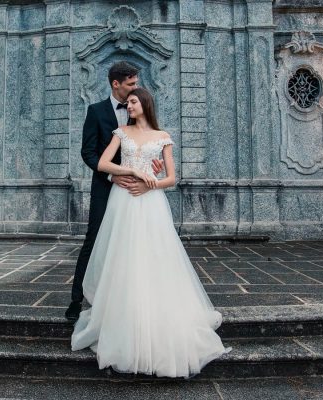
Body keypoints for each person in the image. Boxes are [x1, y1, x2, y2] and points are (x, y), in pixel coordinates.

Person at [71, 87, 231, 378]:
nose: (128, 106)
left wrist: (149, 184)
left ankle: (157, 315)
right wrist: (131, 172)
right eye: (127, 102)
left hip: (151, 202)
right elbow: (103, 163)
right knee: (123, 257)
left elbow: (171, 178)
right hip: (123, 201)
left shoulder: (162, 136)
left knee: (154, 257)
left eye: (133, 102)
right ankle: (124, 317)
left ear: (144, 103)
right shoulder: (121, 132)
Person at [65, 61, 164, 321]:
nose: (136, 87)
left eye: (136, 83)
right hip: (105, 185)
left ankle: (128, 297)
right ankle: (77, 299)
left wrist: (155, 164)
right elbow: (88, 152)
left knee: (135, 241)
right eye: (131, 83)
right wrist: (112, 175)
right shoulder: (96, 111)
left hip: (136, 189)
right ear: (116, 83)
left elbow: (149, 144)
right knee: (95, 238)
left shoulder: (138, 109)